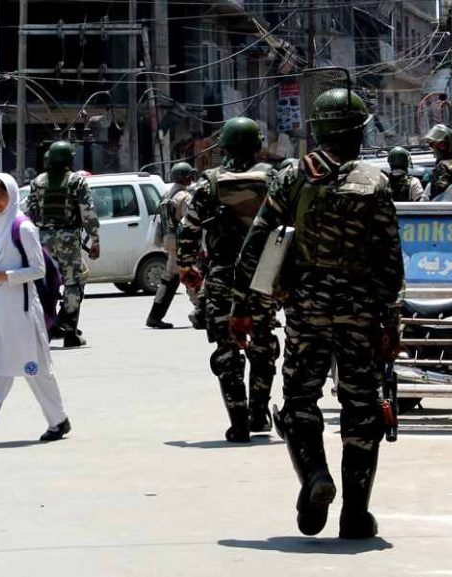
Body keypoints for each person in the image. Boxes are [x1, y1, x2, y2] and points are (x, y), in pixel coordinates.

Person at [230, 88, 404, 540]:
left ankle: (313, 478)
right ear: (359, 131)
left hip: (306, 308)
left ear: (318, 128)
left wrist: (242, 306)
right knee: (361, 406)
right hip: (361, 310)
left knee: (301, 400)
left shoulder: (292, 178)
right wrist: (391, 318)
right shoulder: (375, 182)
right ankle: (355, 514)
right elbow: (390, 258)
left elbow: (259, 243)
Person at [176, 117, 279, 442]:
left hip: (222, 275)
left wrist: (185, 266)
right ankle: (259, 414)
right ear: (257, 145)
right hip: (262, 276)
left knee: (227, 347)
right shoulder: (272, 179)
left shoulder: (210, 183)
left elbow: (189, 229)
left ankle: (238, 421)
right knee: (262, 344)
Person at [0, 174, 70, 447]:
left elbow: (38, 269)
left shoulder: (23, 227)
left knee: (36, 369)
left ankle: (58, 420)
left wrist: (6, 276)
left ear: (11, 196)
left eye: (2, 195)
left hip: (21, 312)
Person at [24, 141, 100, 347]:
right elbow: (88, 213)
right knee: (74, 283)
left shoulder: (38, 182)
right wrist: (95, 239)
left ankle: (46, 330)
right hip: (68, 238)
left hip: (43, 240)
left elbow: (28, 213)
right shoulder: (77, 182)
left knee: (46, 284)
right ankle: (69, 332)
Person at [146, 162, 197, 329]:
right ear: (186, 178)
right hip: (181, 242)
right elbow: (190, 222)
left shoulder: (167, 194)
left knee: (171, 278)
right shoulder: (184, 197)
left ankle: (155, 316)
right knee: (189, 274)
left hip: (169, 240)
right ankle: (202, 311)